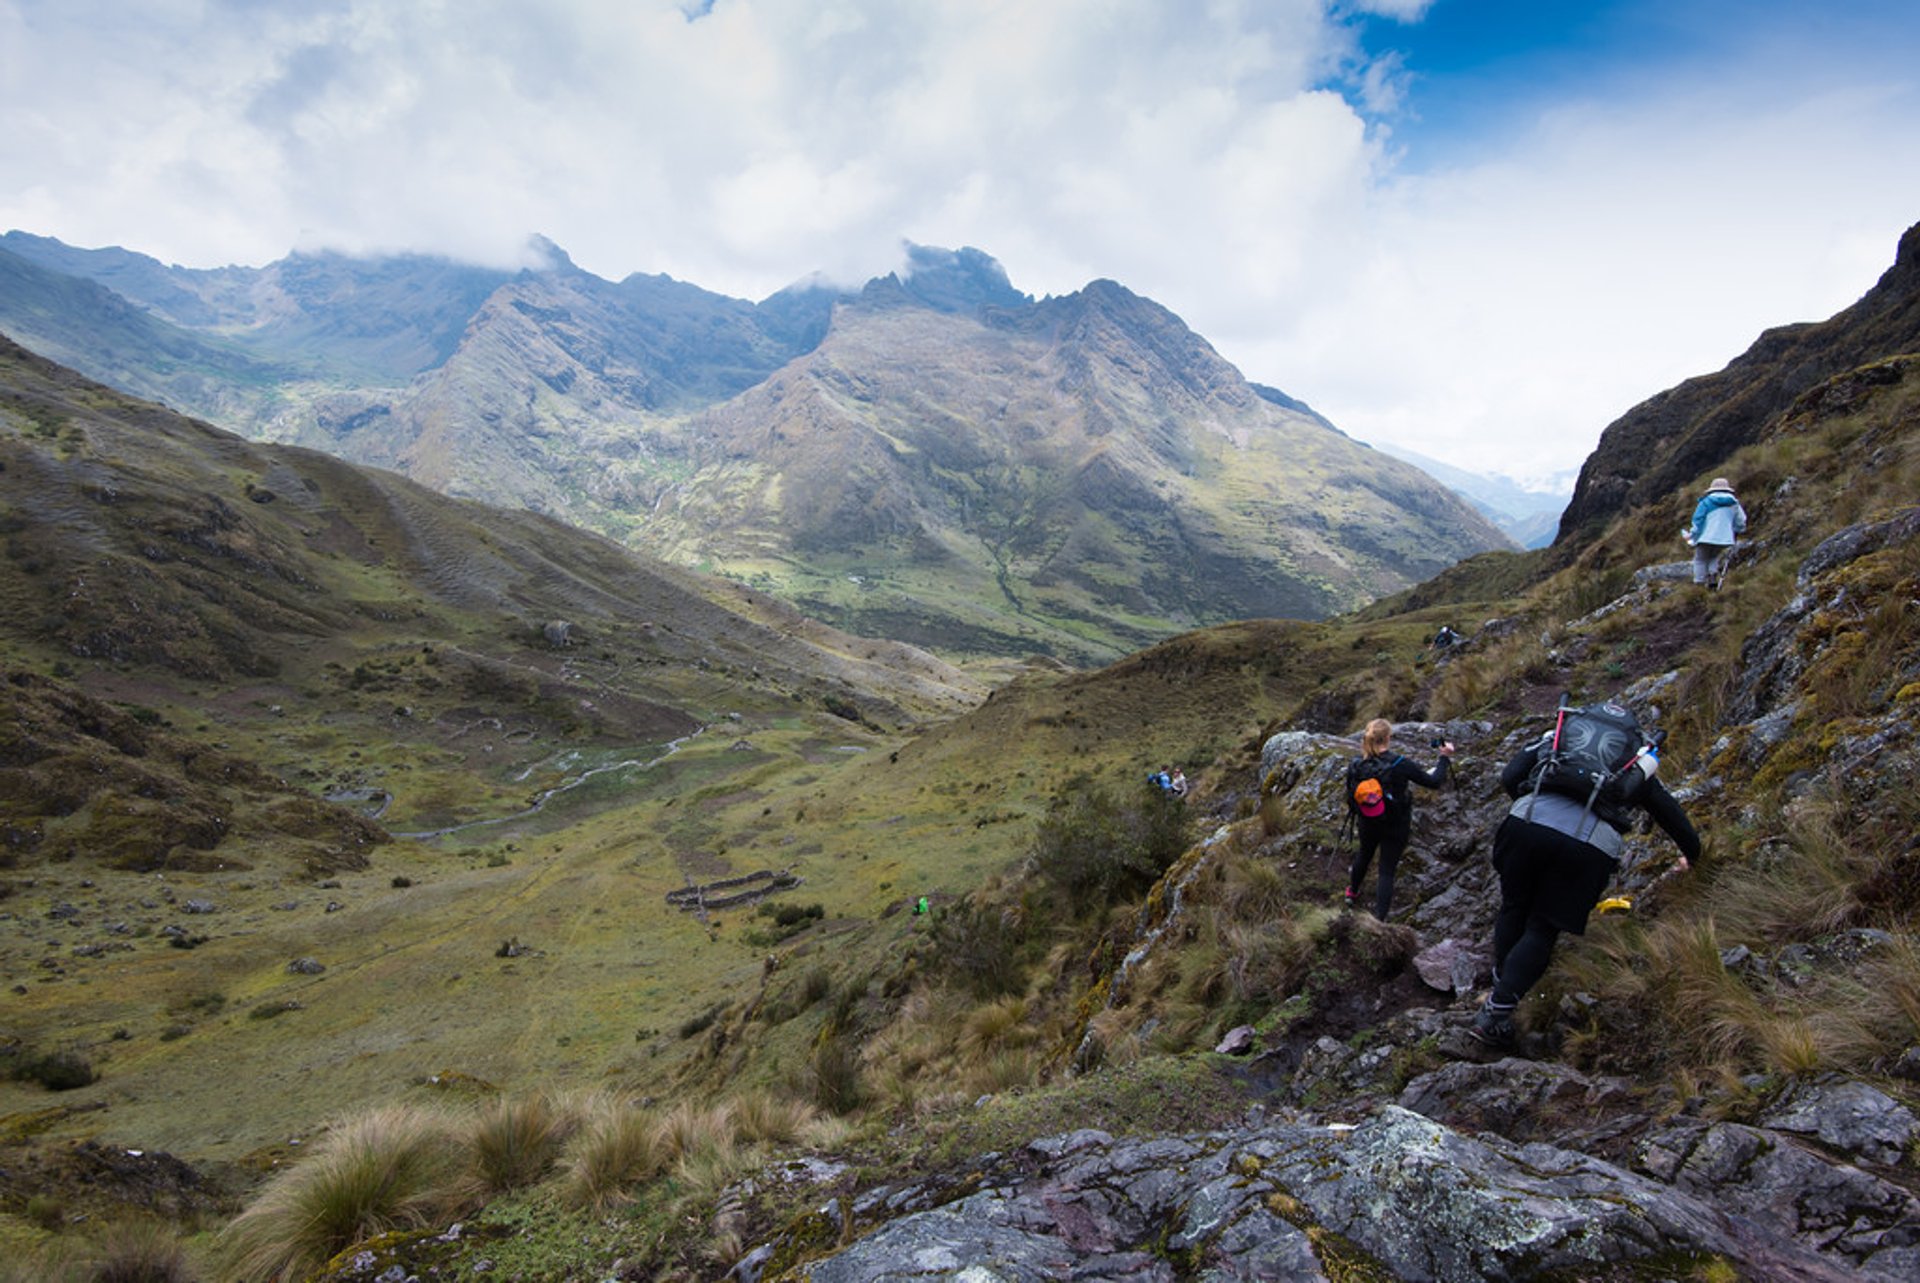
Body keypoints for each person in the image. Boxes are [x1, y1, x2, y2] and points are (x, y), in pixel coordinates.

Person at [1471, 709, 1700, 1048]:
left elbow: (1511, 775)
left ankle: (1502, 989)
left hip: (1526, 824)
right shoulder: (1634, 761)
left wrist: (1534, 808)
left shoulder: (1558, 737)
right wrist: (1693, 854)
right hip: (1588, 846)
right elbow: (1670, 815)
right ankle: (1496, 1012)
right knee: (1543, 927)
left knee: (1514, 906)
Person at [1344, 719, 1454, 920]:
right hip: (1396, 823)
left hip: (1367, 820)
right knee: (1386, 870)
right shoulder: (1400, 764)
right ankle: (1379, 920)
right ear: (1388, 738)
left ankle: (1352, 892)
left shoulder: (1357, 764)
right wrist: (1444, 758)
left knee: (1364, 855)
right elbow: (1434, 781)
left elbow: (1350, 796)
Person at [1687, 477, 1747, 589]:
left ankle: (1699, 583)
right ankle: (1712, 576)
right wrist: (1738, 530)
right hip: (1724, 538)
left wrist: (1693, 535)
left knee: (1700, 559)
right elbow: (1741, 521)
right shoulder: (1734, 503)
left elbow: (1697, 520)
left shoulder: (1705, 502)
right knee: (1713, 556)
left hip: (1705, 537)